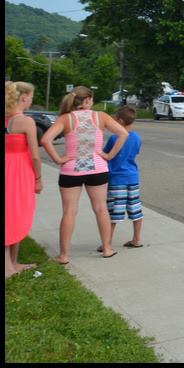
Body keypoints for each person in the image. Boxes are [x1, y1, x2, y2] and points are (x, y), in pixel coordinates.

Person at [40, 86, 130, 263]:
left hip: (71, 170)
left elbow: (45, 140)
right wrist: (109, 156)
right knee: (101, 209)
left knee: (69, 212)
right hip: (97, 169)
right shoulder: (101, 117)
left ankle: (64, 255)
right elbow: (123, 133)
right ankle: (106, 248)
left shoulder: (66, 118)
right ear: (87, 100)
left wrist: (58, 159)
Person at [5, 81, 45, 278]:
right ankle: (7, 267)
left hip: (7, 167)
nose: (31, 101)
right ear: (23, 97)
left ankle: (14, 262)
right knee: (16, 213)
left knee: (12, 212)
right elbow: (36, 156)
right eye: (30, 97)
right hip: (20, 171)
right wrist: (38, 178)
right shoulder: (26, 121)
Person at [102, 105, 144, 249]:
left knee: (113, 212)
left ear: (120, 121)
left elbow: (105, 155)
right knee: (135, 209)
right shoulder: (137, 137)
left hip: (116, 179)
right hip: (132, 178)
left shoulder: (115, 138)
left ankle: (107, 243)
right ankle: (136, 239)